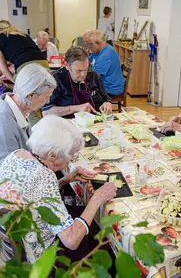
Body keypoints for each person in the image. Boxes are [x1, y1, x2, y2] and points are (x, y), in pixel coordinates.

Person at [0, 115, 117, 269]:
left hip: (15, 240)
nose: (71, 160)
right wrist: (96, 199)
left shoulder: (18, 154)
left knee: (80, 211)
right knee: (104, 240)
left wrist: (66, 179)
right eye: (71, 154)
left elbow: (36, 195)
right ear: (52, 155)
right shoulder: (44, 176)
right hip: (40, 257)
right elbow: (71, 240)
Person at [0, 63, 56, 163]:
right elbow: (10, 170)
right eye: (46, 97)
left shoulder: (20, 108)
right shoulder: (4, 120)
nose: (47, 101)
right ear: (31, 95)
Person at [41, 46, 112, 118]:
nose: (83, 74)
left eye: (86, 69)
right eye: (79, 71)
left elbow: (106, 98)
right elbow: (46, 112)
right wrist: (75, 108)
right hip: (66, 124)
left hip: (93, 122)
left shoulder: (93, 75)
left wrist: (107, 103)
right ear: (67, 66)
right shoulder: (56, 79)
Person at [85, 30, 125, 96]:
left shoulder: (106, 54)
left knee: (82, 92)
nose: (89, 47)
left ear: (97, 43)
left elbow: (93, 76)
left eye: (90, 45)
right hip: (105, 85)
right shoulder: (98, 51)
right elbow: (87, 61)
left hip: (111, 88)